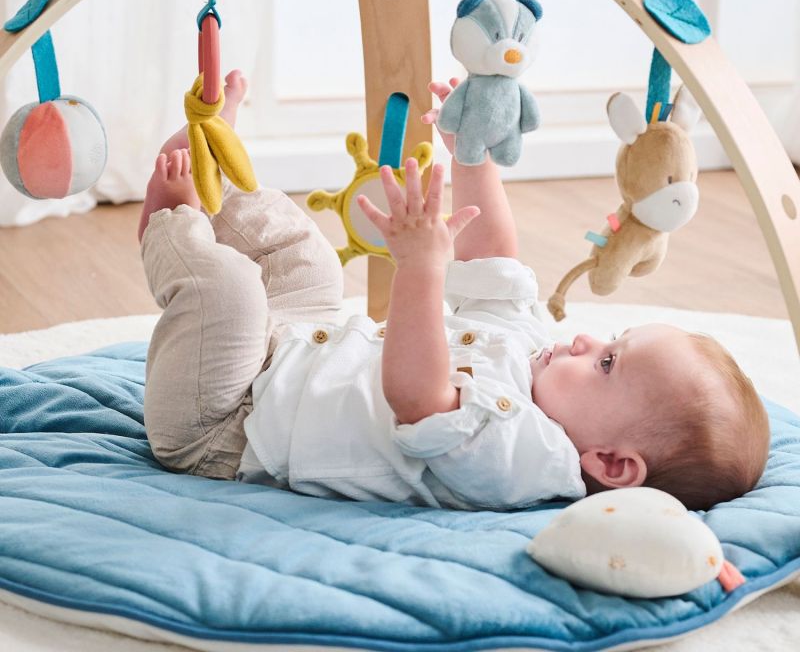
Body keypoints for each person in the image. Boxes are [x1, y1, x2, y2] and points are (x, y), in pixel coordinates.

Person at [138, 71, 770, 512]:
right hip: (291, 348)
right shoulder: (533, 357)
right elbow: (492, 254)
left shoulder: (527, 457)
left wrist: (419, 269)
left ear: (610, 464)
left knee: (235, 294)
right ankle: (216, 165)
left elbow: (418, 397)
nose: (586, 338)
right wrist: (470, 157)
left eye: (608, 362)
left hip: (223, 426)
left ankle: (171, 226)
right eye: (610, 338)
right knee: (307, 264)